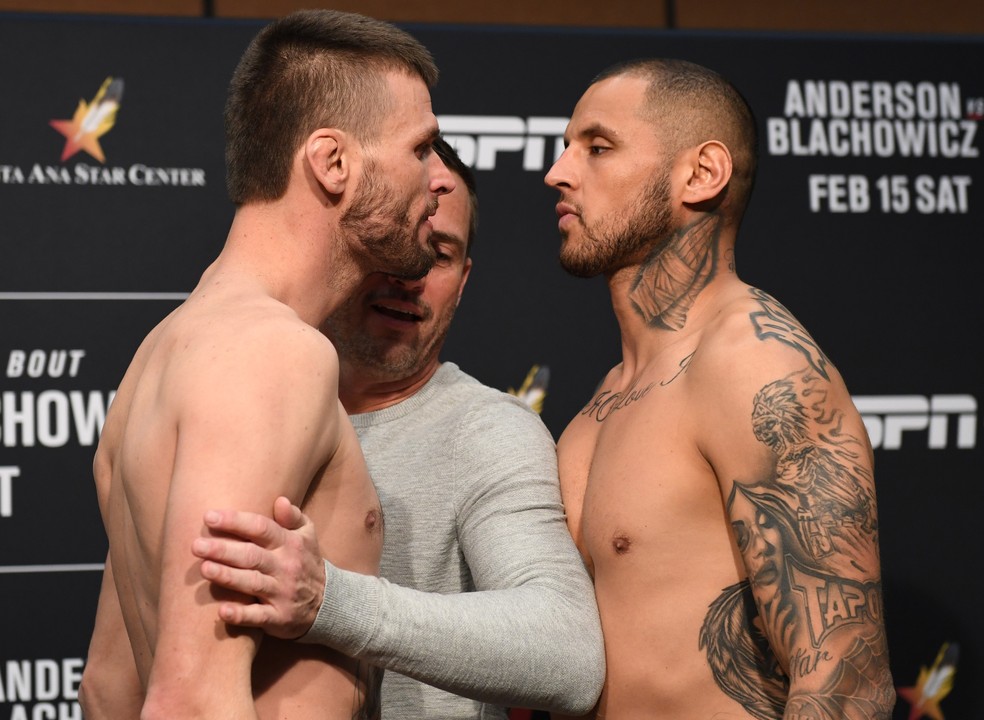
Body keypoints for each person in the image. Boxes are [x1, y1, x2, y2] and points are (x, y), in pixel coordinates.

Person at [77, 9, 455, 720]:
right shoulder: (272, 353)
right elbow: (189, 699)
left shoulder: (163, 352)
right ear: (332, 162)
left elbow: (108, 688)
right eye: (421, 148)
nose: (439, 179)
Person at [189, 138, 605, 719]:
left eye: (438, 256)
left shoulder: (485, 432)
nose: (411, 276)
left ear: (462, 279)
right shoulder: (230, 407)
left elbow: (568, 651)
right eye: (397, 243)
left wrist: (328, 602)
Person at [543, 58, 895, 718]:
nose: (558, 172)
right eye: (567, 148)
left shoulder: (755, 363)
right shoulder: (602, 402)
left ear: (701, 174)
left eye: (596, 147)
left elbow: (847, 685)